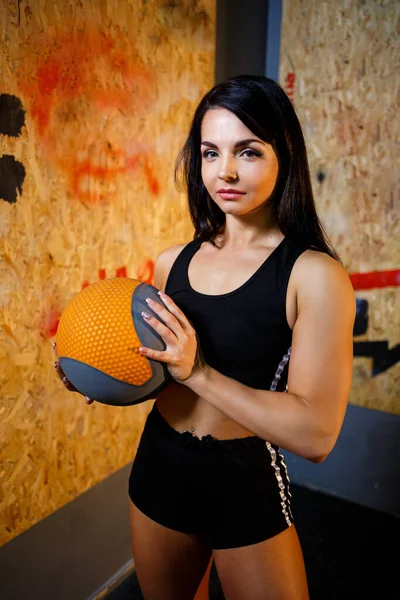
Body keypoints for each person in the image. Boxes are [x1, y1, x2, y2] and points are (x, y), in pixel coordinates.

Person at [53, 75, 356, 600]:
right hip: (160, 467)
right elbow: (159, 371)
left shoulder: (313, 276)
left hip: (243, 481)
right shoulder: (174, 262)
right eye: (210, 153)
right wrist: (100, 373)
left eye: (248, 152)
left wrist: (201, 374)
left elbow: (316, 435)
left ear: (284, 154)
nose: (227, 172)